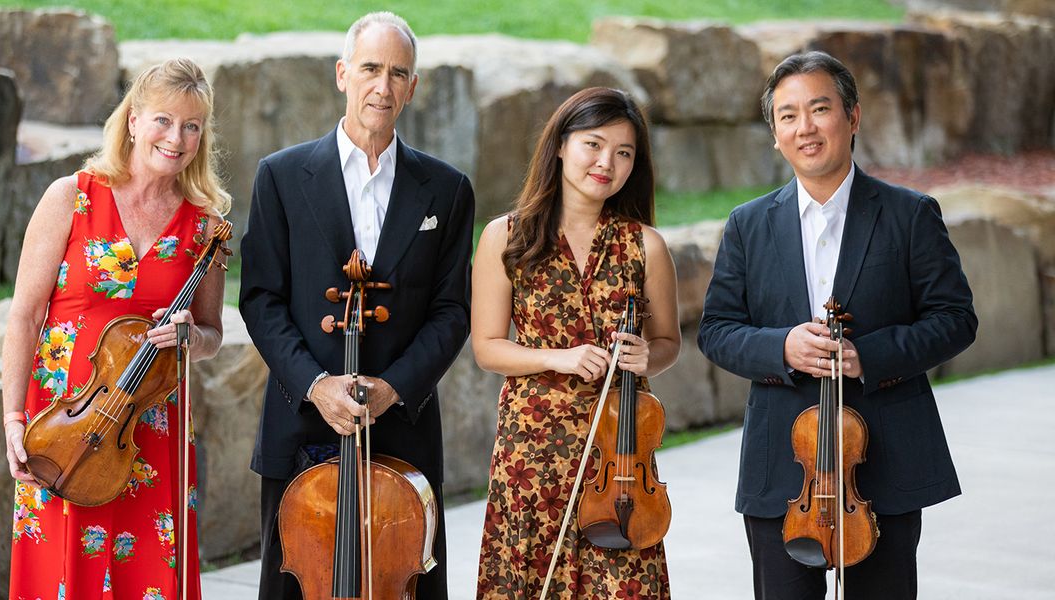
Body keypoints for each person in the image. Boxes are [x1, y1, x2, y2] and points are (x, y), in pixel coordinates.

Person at [697, 50, 977, 599]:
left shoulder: (910, 214)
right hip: (783, 468)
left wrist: (868, 355)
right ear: (775, 135)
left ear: (852, 116)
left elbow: (956, 319)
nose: (805, 128)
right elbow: (717, 330)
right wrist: (782, 347)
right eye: (788, 116)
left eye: (819, 109)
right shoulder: (747, 225)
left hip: (885, 464)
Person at [239, 11, 474, 600]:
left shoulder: (446, 190)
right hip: (302, 424)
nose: (384, 86)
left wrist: (394, 387)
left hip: (403, 431)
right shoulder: (282, 176)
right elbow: (261, 299)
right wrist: (316, 384)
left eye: (399, 73)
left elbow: (452, 312)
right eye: (371, 68)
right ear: (343, 74)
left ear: (413, 87)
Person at [2, 58, 230, 599]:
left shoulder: (206, 226)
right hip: (66, 425)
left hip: (148, 430)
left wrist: (189, 338)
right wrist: (14, 418)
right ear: (132, 120)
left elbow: (212, 334)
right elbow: (25, 314)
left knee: (147, 577)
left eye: (192, 126)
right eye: (164, 120)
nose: (176, 138)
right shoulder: (71, 197)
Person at [471, 87, 680, 599]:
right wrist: (556, 357)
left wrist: (648, 355)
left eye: (624, 152)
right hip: (534, 451)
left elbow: (668, 340)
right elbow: (488, 347)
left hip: (623, 458)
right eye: (594, 143)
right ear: (561, 145)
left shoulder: (646, 245)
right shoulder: (507, 237)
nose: (607, 162)